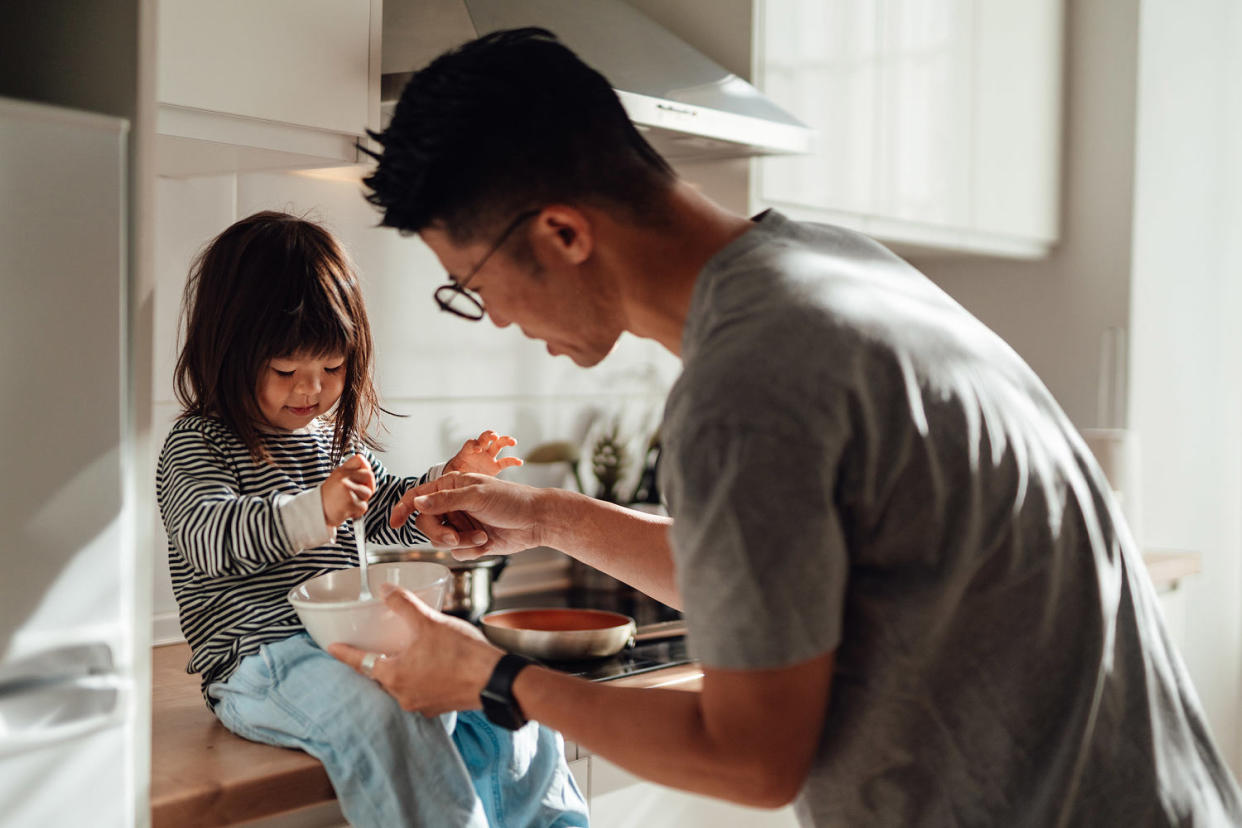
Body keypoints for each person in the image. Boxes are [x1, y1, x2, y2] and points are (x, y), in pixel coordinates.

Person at [335, 26, 1242, 828]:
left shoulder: (749, 382)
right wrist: (547, 518)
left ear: (565, 233)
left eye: (475, 284)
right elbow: (783, 583)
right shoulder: (832, 266)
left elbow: (751, 758)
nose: (492, 317)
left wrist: (488, 680)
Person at [155, 210, 588, 828]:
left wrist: (442, 491)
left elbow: (384, 506)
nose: (311, 390)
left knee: (499, 691)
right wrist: (317, 509)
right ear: (227, 352)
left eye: (331, 369)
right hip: (257, 661)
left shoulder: (327, 438)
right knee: (385, 716)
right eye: (285, 371)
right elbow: (209, 537)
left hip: (348, 645)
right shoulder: (199, 442)